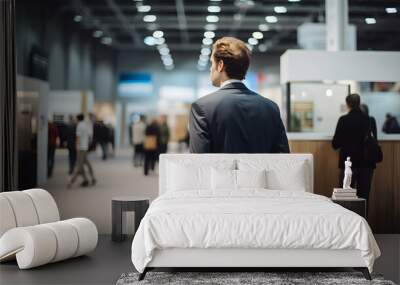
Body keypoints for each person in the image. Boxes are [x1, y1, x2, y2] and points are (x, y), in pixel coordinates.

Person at [189, 37, 289, 153]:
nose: (211, 68)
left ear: (220, 65)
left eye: (212, 63)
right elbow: (283, 158)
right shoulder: (271, 108)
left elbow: (198, 162)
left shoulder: (202, 107)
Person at [332, 94, 375, 208]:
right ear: (359, 103)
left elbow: (335, 144)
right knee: (364, 198)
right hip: (366, 164)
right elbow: (373, 141)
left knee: (345, 198)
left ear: (347, 104)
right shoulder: (370, 120)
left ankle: (346, 224)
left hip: (348, 165)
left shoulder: (343, 120)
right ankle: (363, 223)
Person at [68, 114, 96, 188]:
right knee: (85, 162)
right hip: (85, 147)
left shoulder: (79, 126)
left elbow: (78, 137)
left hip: (81, 148)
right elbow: (90, 136)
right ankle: (88, 179)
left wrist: (77, 146)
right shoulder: (86, 125)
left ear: (78, 119)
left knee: (79, 165)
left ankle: (71, 181)